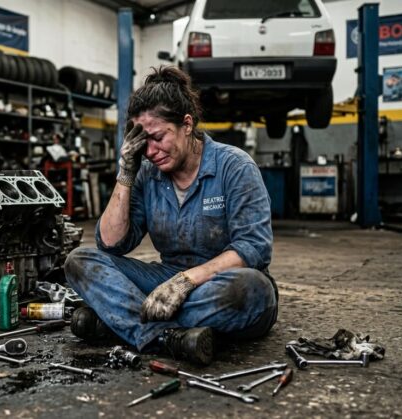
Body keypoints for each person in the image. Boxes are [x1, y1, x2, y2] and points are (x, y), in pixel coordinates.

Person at [64, 66, 278, 365]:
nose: (150, 151)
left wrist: (186, 281)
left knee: (250, 290)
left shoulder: (234, 166)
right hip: (164, 280)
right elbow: (111, 244)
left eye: (158, 137)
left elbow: (254, 247)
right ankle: (168, 336)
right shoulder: (147, 173)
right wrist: (126, 172)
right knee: (80, 261)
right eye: (143, 143)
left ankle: (120, 322)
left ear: (186, 124)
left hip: (219, 282)